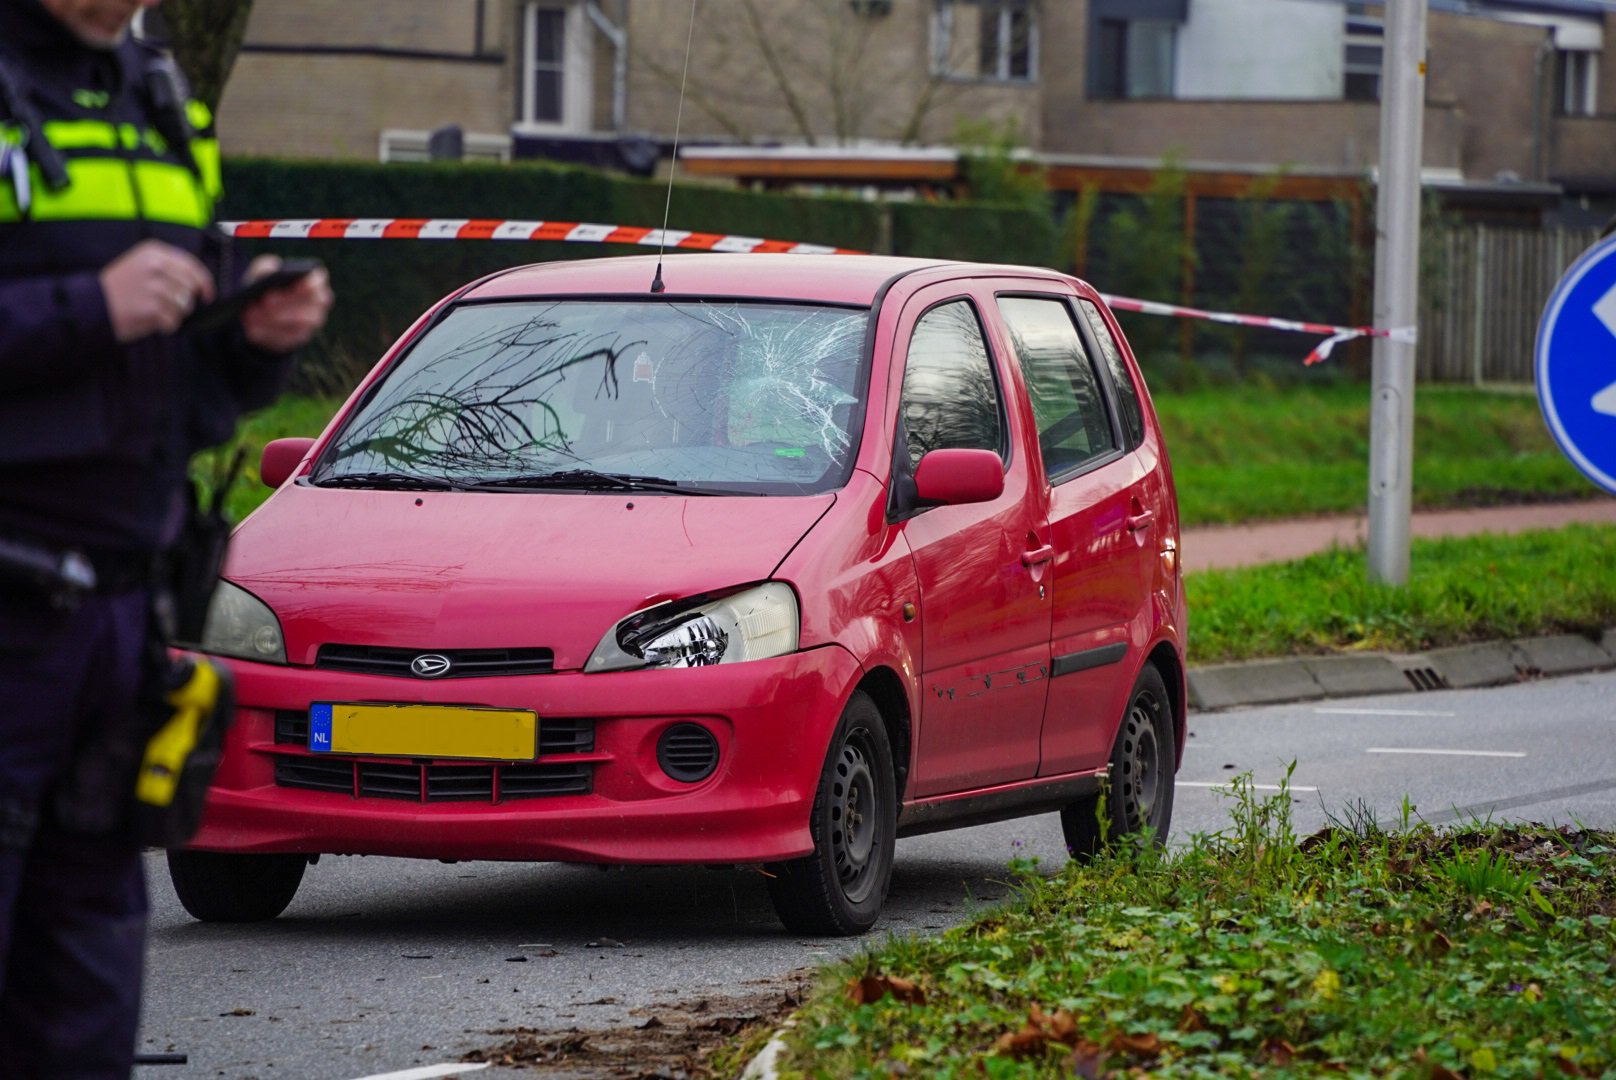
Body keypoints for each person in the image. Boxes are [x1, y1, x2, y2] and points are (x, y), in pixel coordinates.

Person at [0, 0, 333, 1075]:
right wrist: (87, 309)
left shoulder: (155, 98)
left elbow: (179, 391)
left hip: (122, 615)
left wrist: (251, 347)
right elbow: (102, 318)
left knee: (90, 966)